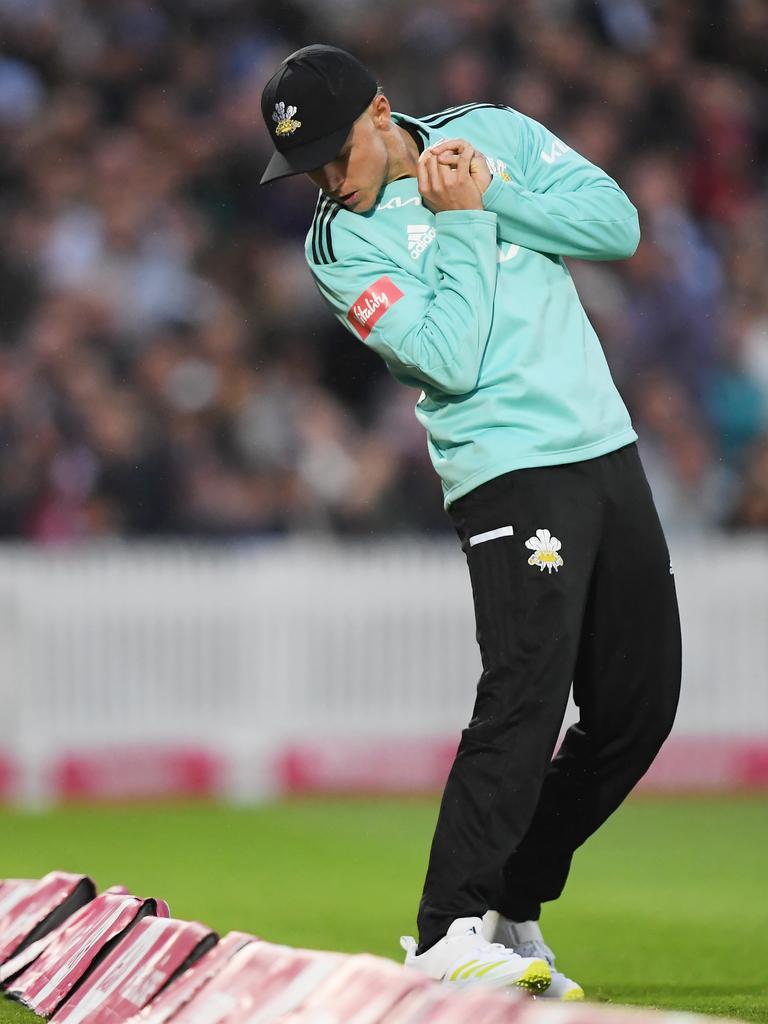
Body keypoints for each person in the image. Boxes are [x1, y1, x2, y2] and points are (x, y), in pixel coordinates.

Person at [259, 44, 682, 999]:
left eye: (336, 152)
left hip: (603, 445)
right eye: (309, 168)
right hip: (506, 471)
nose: (329, 180)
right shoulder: (339, 247)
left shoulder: (489, 134)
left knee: (639, 709)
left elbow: (615, 226)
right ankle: (448, 929)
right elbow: (448, 360)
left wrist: (491, 197)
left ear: (380, 111)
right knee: (525, 693)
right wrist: (462, 222)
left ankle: (514, 901)